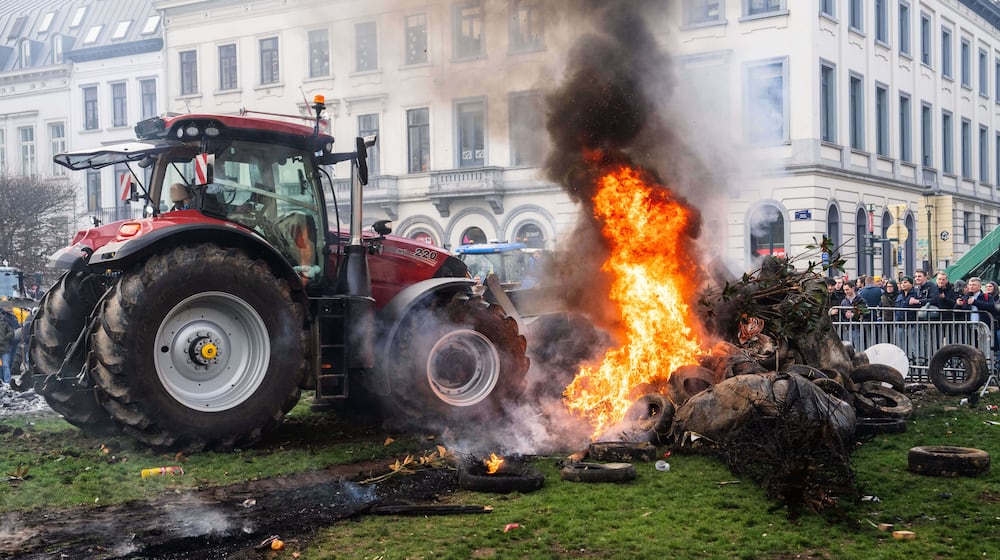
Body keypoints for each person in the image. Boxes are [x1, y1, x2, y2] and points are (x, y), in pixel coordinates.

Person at [0, 308, 17, 386]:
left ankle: (7, 381)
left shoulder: (5, 322)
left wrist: (4, 338)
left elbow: (11, 332)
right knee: (5, 365)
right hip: (5, 346)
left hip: (4, 347)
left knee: (5, 365)